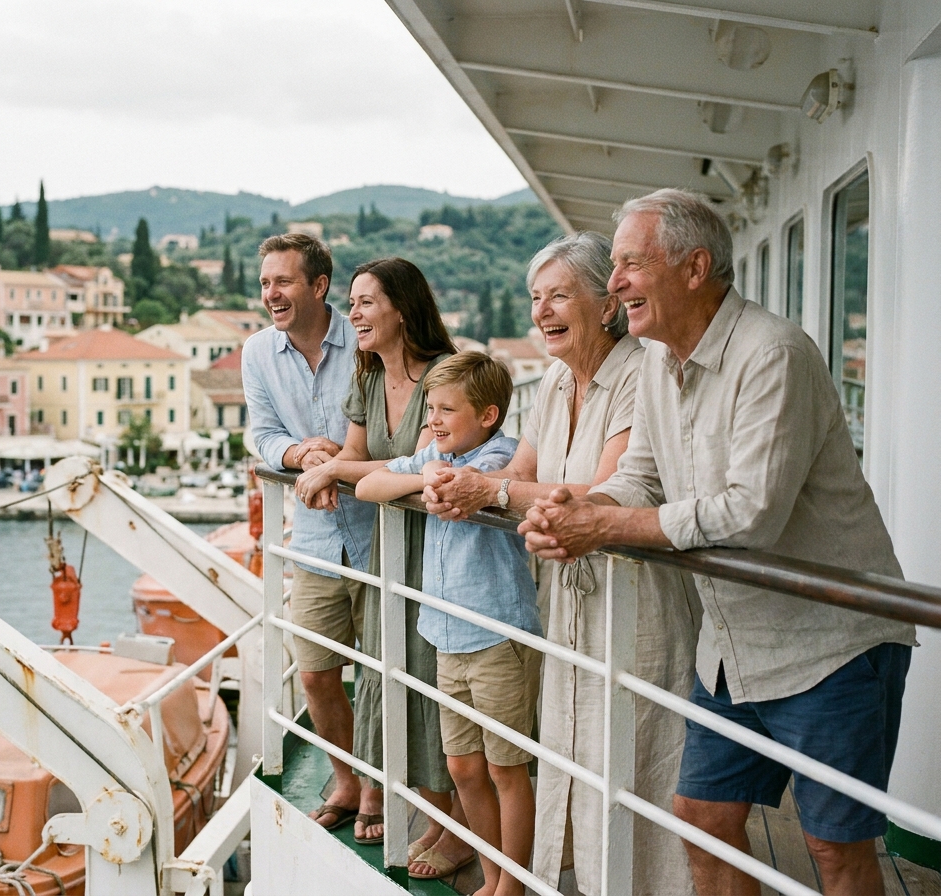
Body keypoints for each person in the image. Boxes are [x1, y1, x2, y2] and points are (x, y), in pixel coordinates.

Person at [522, 189, 917, 896]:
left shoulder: (774, 354)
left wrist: (605, 525)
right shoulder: (656, 363)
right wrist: (572, 512)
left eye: (631, 264)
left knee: (837, 851)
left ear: (695, 267)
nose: (614, 284)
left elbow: (751, 513)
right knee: (701, 816)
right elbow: (639, 477)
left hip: (831, 644)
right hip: (732, 647)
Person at [424, 232, 698, 895]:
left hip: (636, 603)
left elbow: (605, 488)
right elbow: (523, 470)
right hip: (569, 599)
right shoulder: (552, 379)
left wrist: (490, 492)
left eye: (559, 296)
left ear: (605, 302)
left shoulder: (641, 373)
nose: (541, 311)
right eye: (534, 298)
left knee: (636, 762)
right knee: (575, 756)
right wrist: (464, 483)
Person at [294, 257, 469, 872]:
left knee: (433, 682)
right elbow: (359, 451)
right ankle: (438, 816)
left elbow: (419, 467)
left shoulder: (442, 380)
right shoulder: (369, 380)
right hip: (388, 552)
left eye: (367, 302)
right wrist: (334, 463)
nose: (355, 314)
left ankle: (459, 830)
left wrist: (336, 472)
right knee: (395, 675)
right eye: (353, 302)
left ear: (402, 307)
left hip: (440, 553)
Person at [357, 352, 542, 896]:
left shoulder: (500, 457)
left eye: (446, 409)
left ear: (486, 415)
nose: (432, 419)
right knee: (463, 768)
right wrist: (421, 475)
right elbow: (370, 487)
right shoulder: (435, 454)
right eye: (430, 408)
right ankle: (490, 876)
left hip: (496, 637)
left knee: (506, 768)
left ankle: (513, 885)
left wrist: (433, 478)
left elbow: (470, 487)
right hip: (443, 634)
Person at [241, 232, 378, 833]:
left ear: (319, 287)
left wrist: (340, 462)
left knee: (381, 674)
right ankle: (345, 782)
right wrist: (301, 455)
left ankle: (379, 790)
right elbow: (262, 435)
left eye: (284, 281)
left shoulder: (367, 341)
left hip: (383, 537)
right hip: (318, 536)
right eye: (266, 281)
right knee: (318, 670)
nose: (271, 292)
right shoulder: (256, 354)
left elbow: (401, 422)